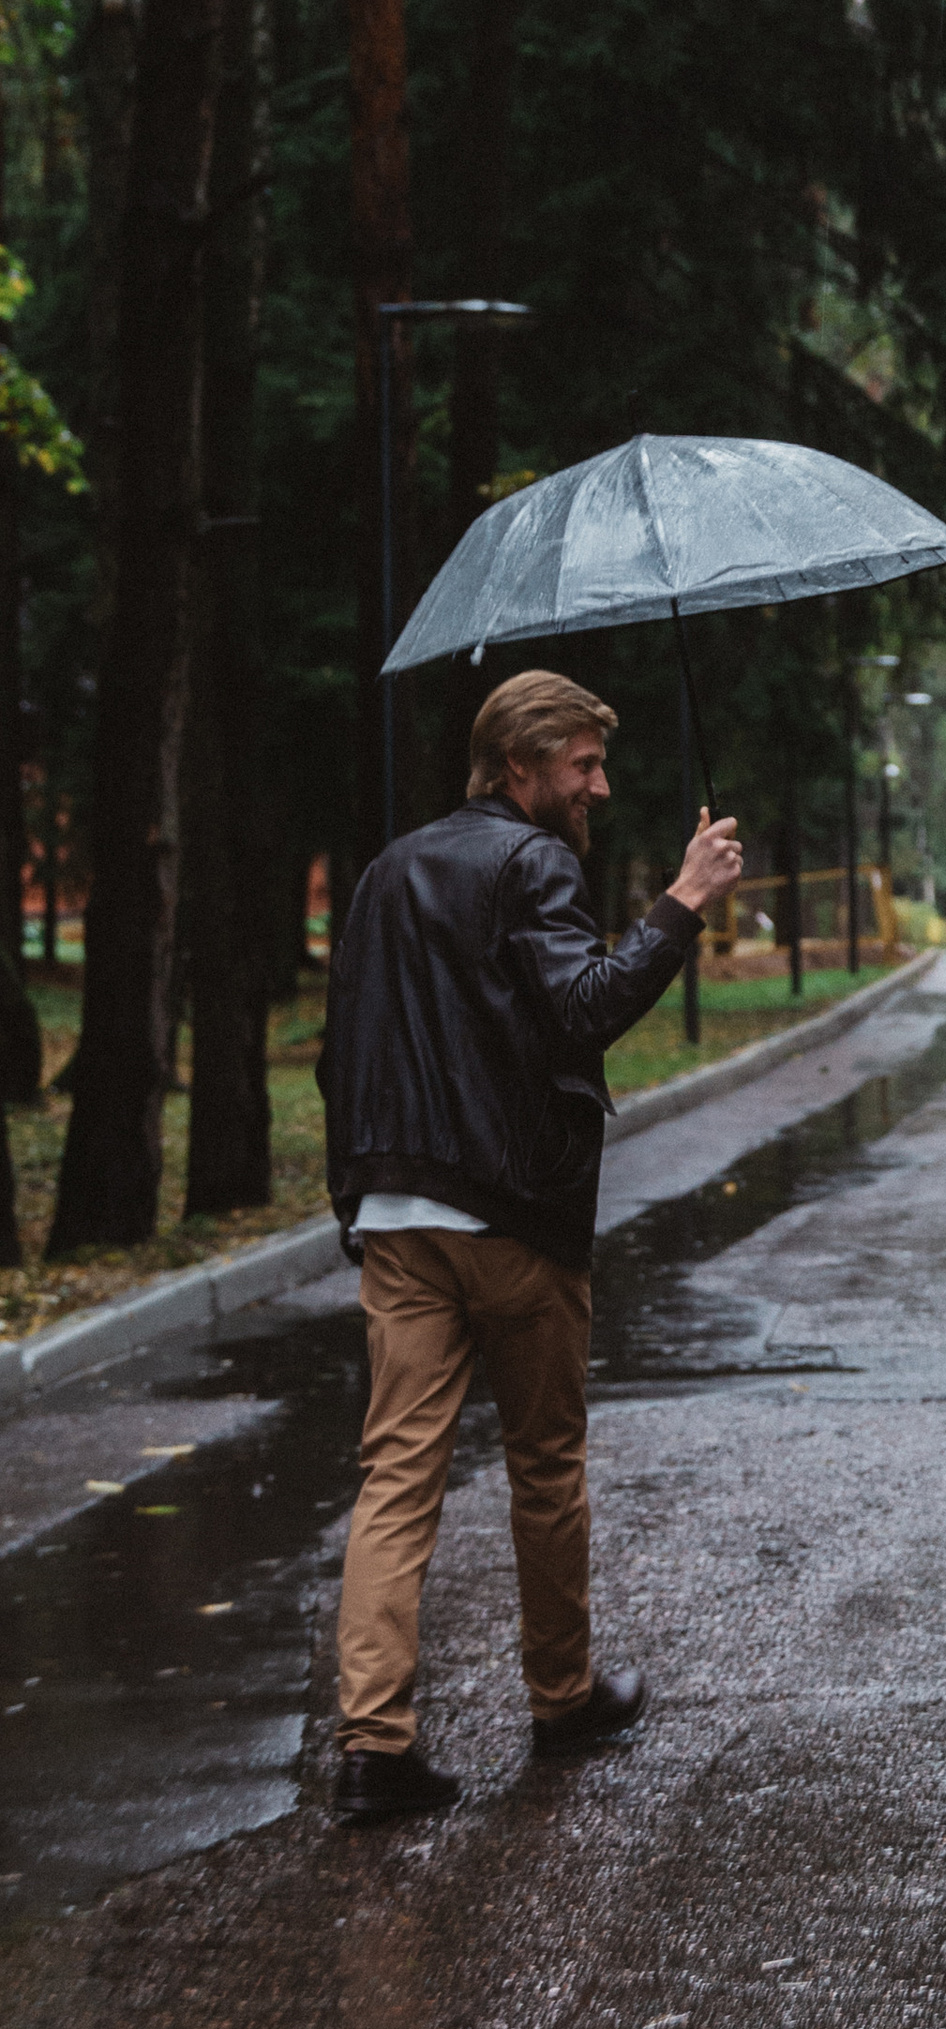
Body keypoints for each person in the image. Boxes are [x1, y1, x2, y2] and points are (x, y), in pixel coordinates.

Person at [317, 669, 744, 1823]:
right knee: (543, 1464)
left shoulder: (386, 868)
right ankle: (561, 1697)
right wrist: (684, 901)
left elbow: (340, 1038)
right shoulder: (533, 863)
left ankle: (373, 1744)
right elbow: (587, 1006)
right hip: (512, 1216)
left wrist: (353, 1189)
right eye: (580, 764)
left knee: (395, 1478)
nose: (597, 785)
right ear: (517, 767)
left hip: (399, 1214)